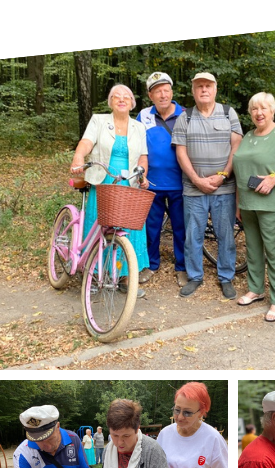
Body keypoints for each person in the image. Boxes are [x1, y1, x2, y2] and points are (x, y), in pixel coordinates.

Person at [69, 84, 150, 296]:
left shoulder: (138, 127)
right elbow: (87, 142)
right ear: (110, 102)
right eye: (116, 96)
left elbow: (143, 156)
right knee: (99, 226)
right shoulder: (99, 120)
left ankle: (124, 277)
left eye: (126, 97)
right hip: (103, 179)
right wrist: (79, 157)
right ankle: (94, 274)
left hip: (128, 182)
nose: (122, 99)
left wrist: (142, 175)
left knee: (128, 229)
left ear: (132, 103)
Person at [172, 72, 243, 299]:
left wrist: (223, 175)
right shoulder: (186, 117)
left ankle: (226, 277)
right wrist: (196, 179)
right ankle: (194, 276)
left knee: (225, 235)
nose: (204, 90)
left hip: (225, 187)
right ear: (193, 91)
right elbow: (180, 151)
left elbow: (236, 147)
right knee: (193, 235)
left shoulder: (227, 112)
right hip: (194, 189)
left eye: (208, 86)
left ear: (215, 89)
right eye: (199, 86)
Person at [232, 92, 275, 322]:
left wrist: (274, 178)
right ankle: (256, 289)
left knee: (273, 250)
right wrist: (239, 202)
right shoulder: (248, 135)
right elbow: (241, 171)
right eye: (254, 109)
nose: (259, 113)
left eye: (263, 108)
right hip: (248, 203)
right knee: (252, 248)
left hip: (272, 204)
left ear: (272, 110)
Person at [137, 71, 188, 287]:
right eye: (157, 91)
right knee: (151, 225)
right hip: (151, 182)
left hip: (180, 182)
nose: (163, 94)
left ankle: (182, 267)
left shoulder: (186, 114)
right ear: (150, 95)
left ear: (172, 92)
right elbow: (137, 146)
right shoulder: (143, 115)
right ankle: (151, 264)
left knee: (181, 226)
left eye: (166, 90)